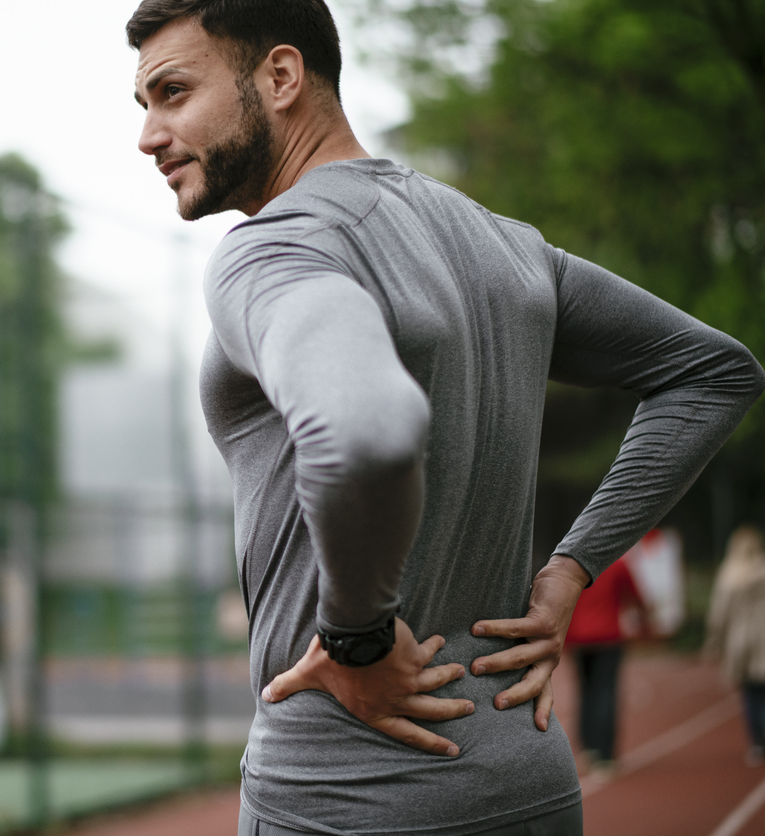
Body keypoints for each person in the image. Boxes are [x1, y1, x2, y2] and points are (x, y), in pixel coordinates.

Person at [125, 2, 765, 834]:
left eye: (173, 92)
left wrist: (356, 639)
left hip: (344, 795)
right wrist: (570, 571)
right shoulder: (507, 246)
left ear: (280, 77)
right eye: (143, 105)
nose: (149, 135)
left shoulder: (273, 248)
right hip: (530, 781)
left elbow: (366, 430)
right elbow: (715, 373)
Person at [565, 554, 643, 772]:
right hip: (608, 636)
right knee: (606, 693)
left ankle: (588, 747)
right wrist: (646, 619)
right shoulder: (617, 564)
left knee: (586, 692)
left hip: (579, 637)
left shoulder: (572, 563)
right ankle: (604, 754)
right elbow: (635, 596)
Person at [704, 525, 765, 766]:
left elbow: (719, 614)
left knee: (750, 693)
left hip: (740, 641)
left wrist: (714, 642)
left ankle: (757, 742)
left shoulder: (729, 575)